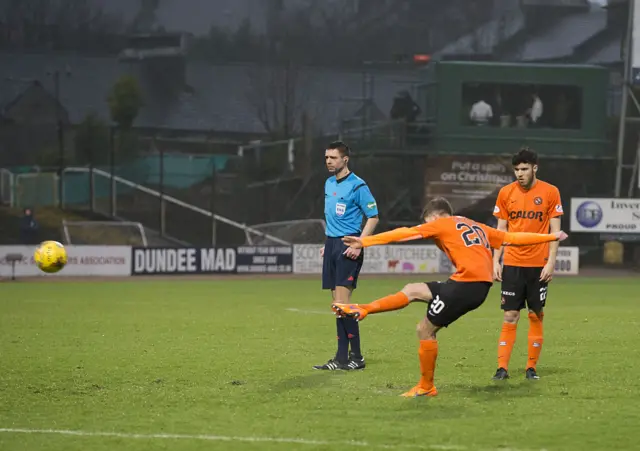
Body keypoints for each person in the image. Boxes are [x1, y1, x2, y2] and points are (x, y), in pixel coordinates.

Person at [331, 197, 567, 397]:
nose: (428, 230)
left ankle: (426, 386)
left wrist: (365, 241)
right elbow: (513, 239)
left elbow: (405, 233)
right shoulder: (477, 225)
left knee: (424, 330)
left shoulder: (441, 224)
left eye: (427, 223)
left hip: (466, 285)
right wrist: (551, 237)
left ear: (435, 217)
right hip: (472, 284)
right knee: (413, 289)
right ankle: (364, 309)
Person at [491, 147, 563, 381]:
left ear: (534, 168)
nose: (519, 173)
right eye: (516, 170)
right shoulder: (505, 193)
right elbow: (500, 231)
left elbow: (555, 231)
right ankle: (502, 368)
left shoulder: (551, 192)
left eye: (524, 169)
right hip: (512, 263)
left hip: (538, 264)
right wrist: (495, 260)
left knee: (535, 314)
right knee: (510, 315)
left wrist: (551, 262)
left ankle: (531, 368)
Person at [313, 141, 379, 371]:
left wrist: (360, 244)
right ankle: (341, 358)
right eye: (326, 157)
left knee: (343, 305)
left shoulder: (358, 186)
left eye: (333, 157)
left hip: (349, 244)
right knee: (337, 305)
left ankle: (357, 357)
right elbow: (333, 218)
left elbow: (373, 216)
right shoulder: (329, 183)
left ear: (345, 159)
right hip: (332, 244)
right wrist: (327, 243)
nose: (329, 161)